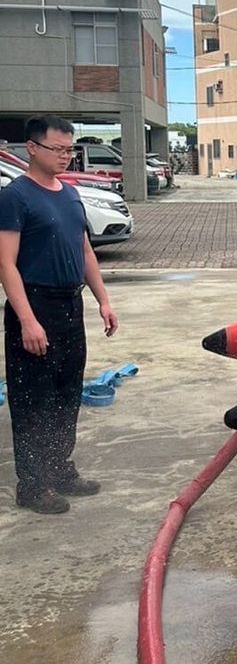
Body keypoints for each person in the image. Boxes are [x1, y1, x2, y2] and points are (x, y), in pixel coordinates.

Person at [0, 115, 118, 515]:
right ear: (32, 148)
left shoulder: (69, 194)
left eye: (70, 149)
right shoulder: (16, 197)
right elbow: (6, 265)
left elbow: (85, 250)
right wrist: (27, 320)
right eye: (58, 149)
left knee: (67, 394)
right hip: (35, 305)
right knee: (34, 399)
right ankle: (32, 486)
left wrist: (102, 299)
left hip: (71, 305)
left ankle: (60, 469)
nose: (66, 156)